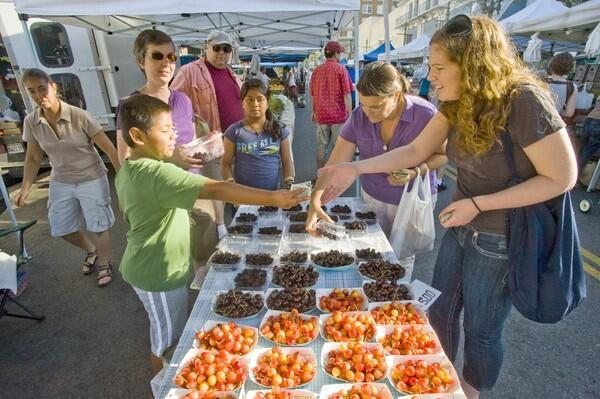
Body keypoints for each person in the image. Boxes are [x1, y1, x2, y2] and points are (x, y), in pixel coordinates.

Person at [317, 15, 577, 398]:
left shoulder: (523, 100)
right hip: (462, 226)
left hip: (502, 238)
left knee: (482, 330)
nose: (431, 76)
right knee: (437, 310)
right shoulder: (457, 101)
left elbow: (562, 177)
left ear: (472, 64)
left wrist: (479, 203)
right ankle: (436, 382)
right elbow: (416, 150)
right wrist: (353, 166)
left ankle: (470, 392)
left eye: (439, 68)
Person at [116, 94, 306, 372]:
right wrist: (274, 197)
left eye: (173, 127)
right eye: (166, 129)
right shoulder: (156, 175)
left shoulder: (133, 167)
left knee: (172, 333)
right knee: (167, 342)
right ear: (137, 135)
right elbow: (217, 188)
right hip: (155, 273)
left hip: (158, 265)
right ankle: (163, 387)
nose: (175, 135)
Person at [306, 61, 447, 253]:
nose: (368, 113)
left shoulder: (425, 114)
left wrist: (416, 171)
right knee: (370, 254)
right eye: (363, 105)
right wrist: (316, 198)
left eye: (376, 107)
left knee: (401, 261)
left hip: (411, 202)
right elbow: (335, 162)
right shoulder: (359, 116)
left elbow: (442, 155)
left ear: (396, 95)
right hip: (373, 199)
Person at [16, 69, 120, 287]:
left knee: (98, 225)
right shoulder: (31, 121)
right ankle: (91, 250)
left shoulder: (79, 115)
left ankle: (104, 263)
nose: (38, 95)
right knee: (61, 228)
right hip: (61, 179)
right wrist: (26, 187)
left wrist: (125, 179)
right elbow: (34, 157)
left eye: (42, 88)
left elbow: (109, 149)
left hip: (91, 176)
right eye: (31, 91)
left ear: (53, 87)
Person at [172, 30, 243, 239]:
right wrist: (188, 126)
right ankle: (221, 228)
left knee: (232, 181)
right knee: (217, 185)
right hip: (210, 142)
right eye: (217, 48)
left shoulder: (231, 73)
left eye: (226, 49)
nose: (222, 53)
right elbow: (172, 103)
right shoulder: (189, 71)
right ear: (206, 46)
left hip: (235, 140)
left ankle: (238, 223)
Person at [221, 79, 294, 190]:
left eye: (260, 99)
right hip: (243, 199)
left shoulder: (279, 130)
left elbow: (287, 160)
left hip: (272, 198)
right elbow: (225, 163)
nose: (255, 104)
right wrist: (231, 185)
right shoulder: (233, 132)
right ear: (242, 103)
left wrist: (289, 183)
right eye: (250, 100)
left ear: (268, 103)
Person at [310, 41, 353, 169]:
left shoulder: (316, 71)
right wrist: (350, 115)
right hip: (338, 116)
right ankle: (332, 175)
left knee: (321, 146)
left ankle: (319, 173)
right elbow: (347, 95)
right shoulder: (341, 69)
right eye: (339, 53)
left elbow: (312, 95)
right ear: (336, 53)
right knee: (337, 147)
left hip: (321, 115)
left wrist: (313, 112)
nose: (340, 55)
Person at [545, 52, 577, 127]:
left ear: (551, 64)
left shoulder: (538, 81)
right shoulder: (571, 86)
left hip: (532, 123)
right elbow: (569, 113)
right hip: (552, 125)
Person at [577, 98, 600, 187]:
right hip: (598, 122)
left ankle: (572, 174)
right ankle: (576, 178)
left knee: (583, 149)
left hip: (590, 119)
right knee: (587, 151)